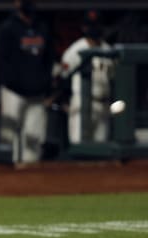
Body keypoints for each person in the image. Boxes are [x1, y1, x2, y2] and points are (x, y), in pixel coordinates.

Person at [0, 0, 55, 163]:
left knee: (34, 136)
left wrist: (47, 87)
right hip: (13, 91)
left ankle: (30, 176)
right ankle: (10, 173)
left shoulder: (43, 27)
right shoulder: (7, 29)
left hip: (37, 92)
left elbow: (49, 59)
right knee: (9, 137)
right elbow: (1, 62)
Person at [60, 10, 114, 144]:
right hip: (81, 103)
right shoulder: (75, 50)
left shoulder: (108, 50)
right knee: (80, 145)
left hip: (103, 105)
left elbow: (113, 79)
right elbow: (63, 77)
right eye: (90, 25)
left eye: (97, 24)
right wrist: (64, 100)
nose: (94, 28)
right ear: (84, 27)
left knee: (101, 151)